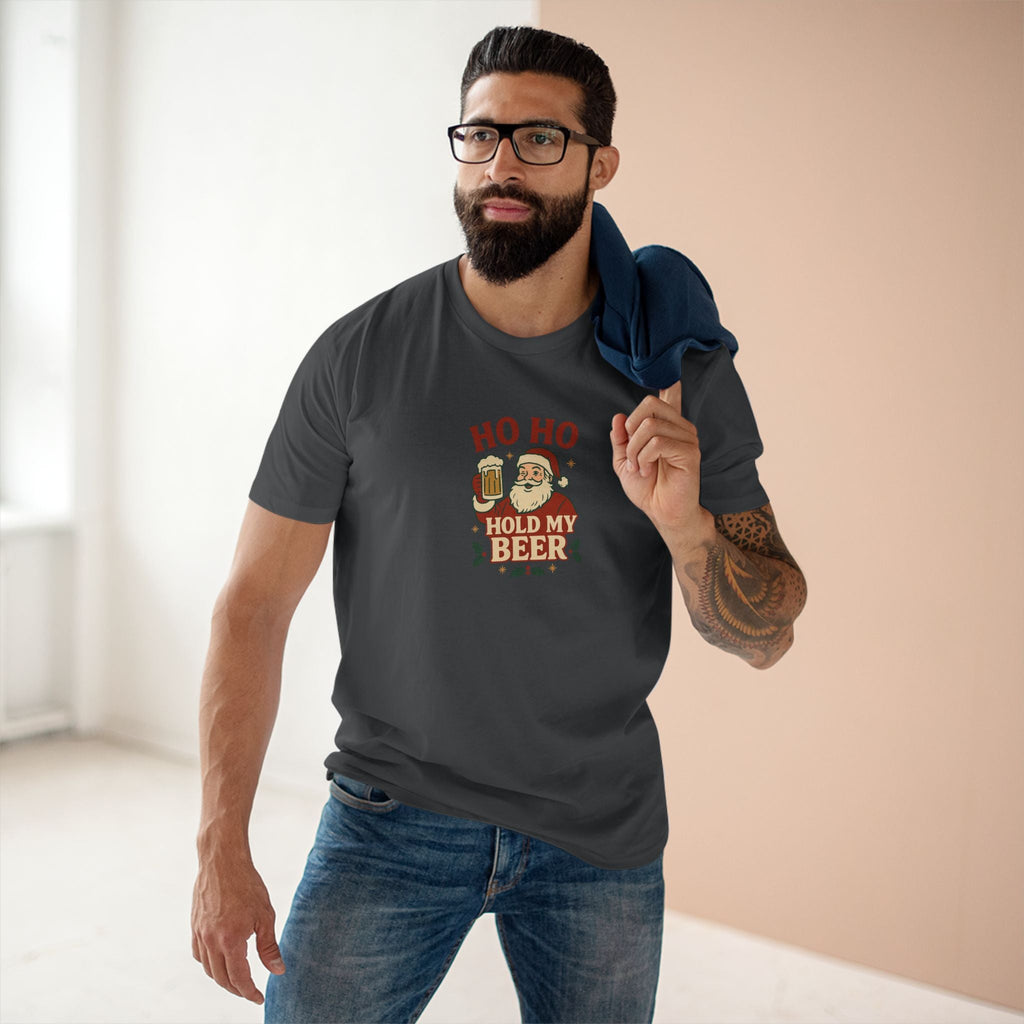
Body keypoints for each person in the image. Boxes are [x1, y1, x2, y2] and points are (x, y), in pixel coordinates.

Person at [190, 24, 807, 1024]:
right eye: (478, 138)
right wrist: (221, 850)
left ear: (600, 163)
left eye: (539, 140)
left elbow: (767, 629)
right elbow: (253, 605)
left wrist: (685, 524)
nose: (500, 165)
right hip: (392, 817)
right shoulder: (360, 358)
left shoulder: (673, 371)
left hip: (595, 833)